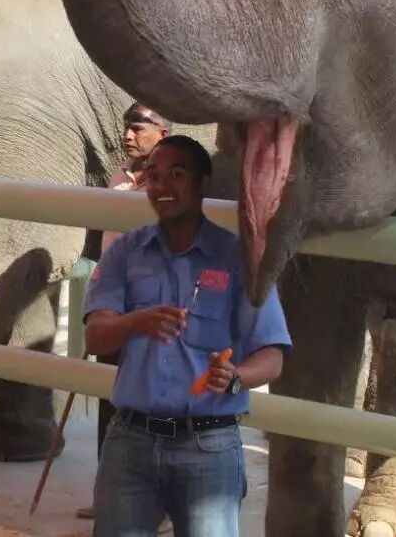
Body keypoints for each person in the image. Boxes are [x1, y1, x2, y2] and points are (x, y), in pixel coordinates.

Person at [83, 135, 291, 536]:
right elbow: (95, 337)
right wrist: (134, 322)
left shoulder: (238, 259)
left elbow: (273, 356)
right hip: (129, 444)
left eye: (176, 175)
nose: (162, 186)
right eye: (154, 176)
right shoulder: (125, 252)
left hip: (208, 446)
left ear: (203, 184)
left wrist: (236, 378)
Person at [78, 103, 171, 522]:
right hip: (111, 307)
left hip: (149, 310)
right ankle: (109, 498)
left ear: (163, 133)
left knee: (149, 406)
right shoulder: (118, 179)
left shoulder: (170, 185)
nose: (128, 136)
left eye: (138, 128)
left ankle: (158, 505)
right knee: (110, 401)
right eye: (126, 129)